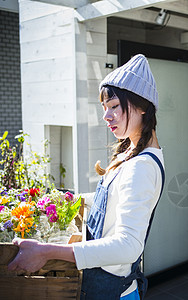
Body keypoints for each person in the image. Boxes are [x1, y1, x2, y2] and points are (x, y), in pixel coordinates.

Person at [8, 54, 165, 300]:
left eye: (114, 106)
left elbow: (129, 246)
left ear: (142, 106)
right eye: (105, 108)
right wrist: (66, 199)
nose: (106, 116)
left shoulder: (141, 166)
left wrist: (47, 251)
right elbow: (112, 200)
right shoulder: (132, 153)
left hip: (114, 292)